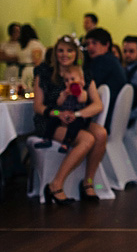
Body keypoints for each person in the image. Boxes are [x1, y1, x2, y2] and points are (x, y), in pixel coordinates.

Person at [32, 35, 107, 203]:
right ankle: (55, 185)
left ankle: (88, 182)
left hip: (77, 119)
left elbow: (97, 105)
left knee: (101, 134)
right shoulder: (44, 72)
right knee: (87, 139)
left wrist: (78, 114)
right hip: (51, 121)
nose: (64, 54)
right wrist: (59, 114)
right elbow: (38, 106)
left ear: (76, 53)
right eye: (60, 50)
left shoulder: (82, 73)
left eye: (69, 50)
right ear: (55, 52)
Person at [34, 64, 91, 153]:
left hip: (75, 115)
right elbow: (58, 103)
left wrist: (77, 91)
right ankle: (47, 139)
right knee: (52, 121)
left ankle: (66, 143)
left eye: (73, 79)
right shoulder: (63, 92)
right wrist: (64, 95)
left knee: (74, 127)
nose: (69, 82)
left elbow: (82, 100)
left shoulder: (83, 92)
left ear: (81, 80)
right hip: (62, 113)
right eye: (66, 80)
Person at [83, 28, 126, 129]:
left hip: (103, 120)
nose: (90, 47)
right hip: (113, 121)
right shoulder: (113, 61)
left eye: (94, 43)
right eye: (87, 44)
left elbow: (86, 88)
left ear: (106, 44)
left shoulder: (102, 62)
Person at [17, 24, 45, 88]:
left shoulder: (31, 44)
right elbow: (37, 61)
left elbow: (37, 61)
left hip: (26, 70)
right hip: (27, 70)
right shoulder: (31, 44)